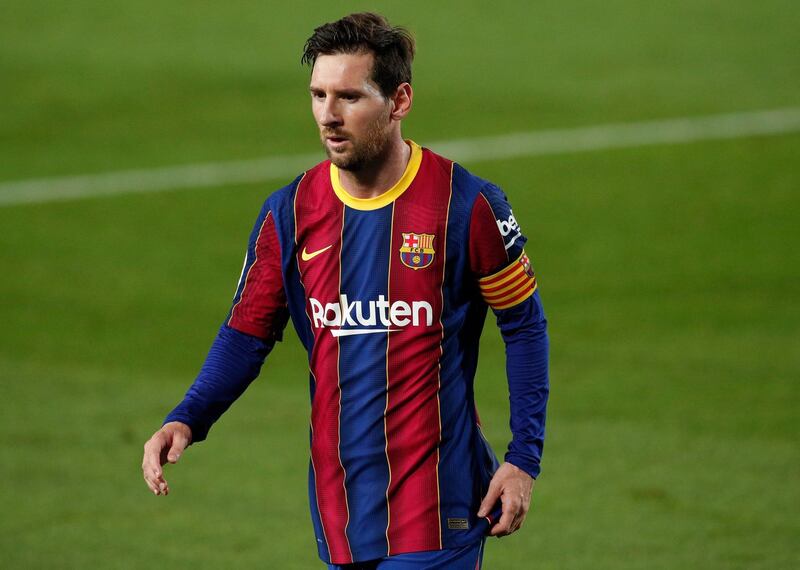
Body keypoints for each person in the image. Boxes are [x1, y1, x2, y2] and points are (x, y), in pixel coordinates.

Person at [142, 12, 549, 570]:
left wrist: (523, 458)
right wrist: (188, 416)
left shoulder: (466, 204)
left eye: (349, 97)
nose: (328, 117)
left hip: (440, 506)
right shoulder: (289, 212)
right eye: (317, 95)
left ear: (399, 100)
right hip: (340, 512)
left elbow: (524, 324)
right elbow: (248, 331)